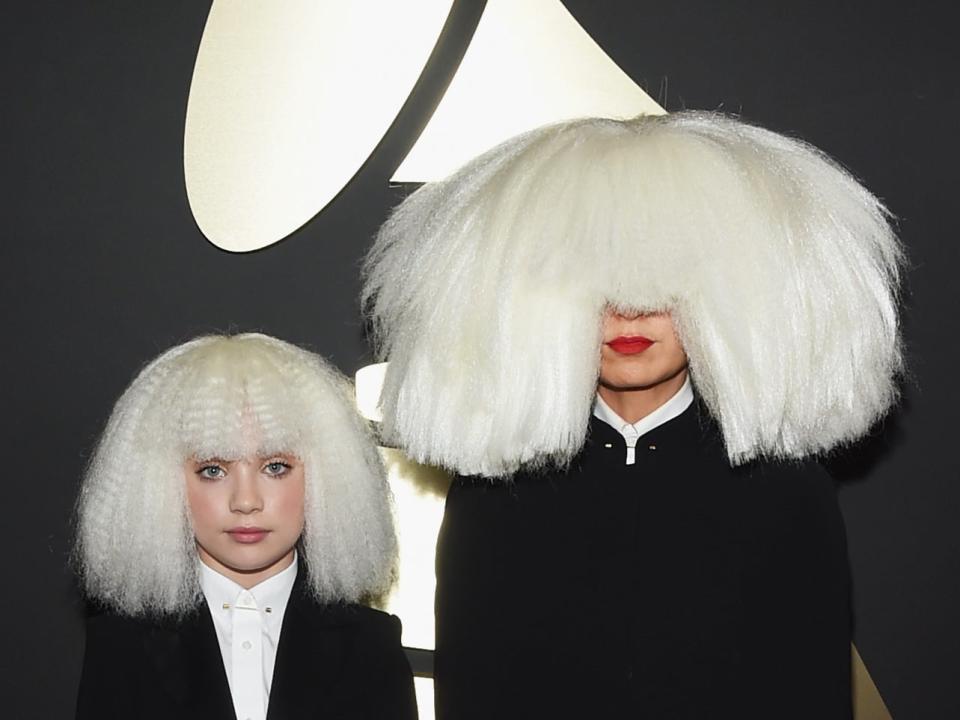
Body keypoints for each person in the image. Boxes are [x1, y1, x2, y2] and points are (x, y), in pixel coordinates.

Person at [362, 112, 903, 718]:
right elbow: (474, 692)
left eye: (663, 284)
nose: (630, 312)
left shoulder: (785, 490)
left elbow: (809, 693)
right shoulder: (496, 495)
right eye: (598, 287)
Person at [74, 333, 417, 720]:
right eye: (213, 470)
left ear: (326, 476)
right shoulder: (121, 645)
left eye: (275, 467)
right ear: (161, 483)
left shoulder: (372, 644)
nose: (246, 501)